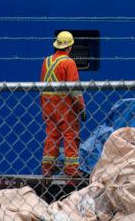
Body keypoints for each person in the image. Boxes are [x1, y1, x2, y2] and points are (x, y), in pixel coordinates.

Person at [41, 31, 86, 177]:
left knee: (52, 137)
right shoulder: (69, 62)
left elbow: (42, 85)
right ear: (70, 47)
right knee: (70, 136)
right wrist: (81, 107)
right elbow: (74, 89)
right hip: (65, 106)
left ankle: (47, 170)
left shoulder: (46, 61)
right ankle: (72, 172)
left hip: (48, 104)